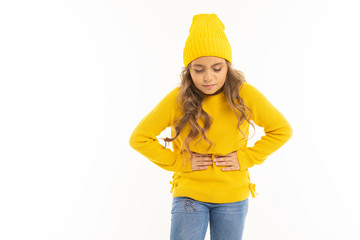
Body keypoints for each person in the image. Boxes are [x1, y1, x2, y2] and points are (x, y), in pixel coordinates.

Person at [129, 13, 293, 240]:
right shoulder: (178, 98)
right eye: (199, 69)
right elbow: (139, 138)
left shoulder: (245, 94)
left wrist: (246, 157)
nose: (208, 77)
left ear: (227, 66)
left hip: (233, 195)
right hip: (189, 195)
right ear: (189, 70)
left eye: (217, 68)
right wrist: (180, 162)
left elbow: (282, 130)